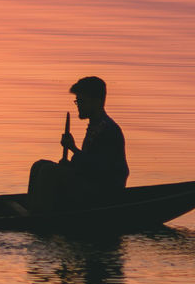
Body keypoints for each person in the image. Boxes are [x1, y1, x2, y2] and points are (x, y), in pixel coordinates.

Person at [28, 76, 128, 212]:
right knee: (39, 165)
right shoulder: (95, 126)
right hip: (91, 182)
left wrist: (73, 149)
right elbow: (87, 164)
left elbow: (99, 168)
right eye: (77, 101)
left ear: (97, 102)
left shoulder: (109, 130)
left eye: (82, 101)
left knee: (48, 172)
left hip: (104, 192)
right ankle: (33, 209)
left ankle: (42, 217)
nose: (78, 105)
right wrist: (70, 165)